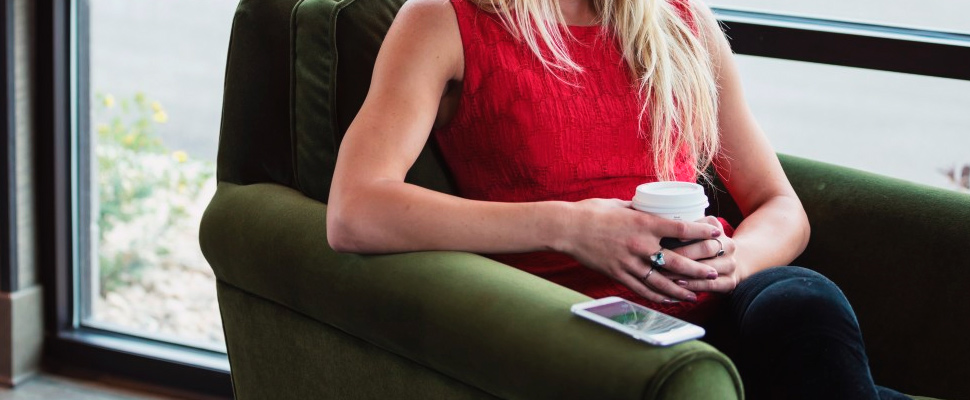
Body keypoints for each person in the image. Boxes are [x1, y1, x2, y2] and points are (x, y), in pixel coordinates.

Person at [326, 0, 909, 397]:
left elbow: (781, 207)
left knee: (806, 305)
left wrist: (735, 263)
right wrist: (569, 227)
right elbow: (355, 211)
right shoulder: (446, 19)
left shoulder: (679, 20)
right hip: (569, 318)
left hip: (710, 308)